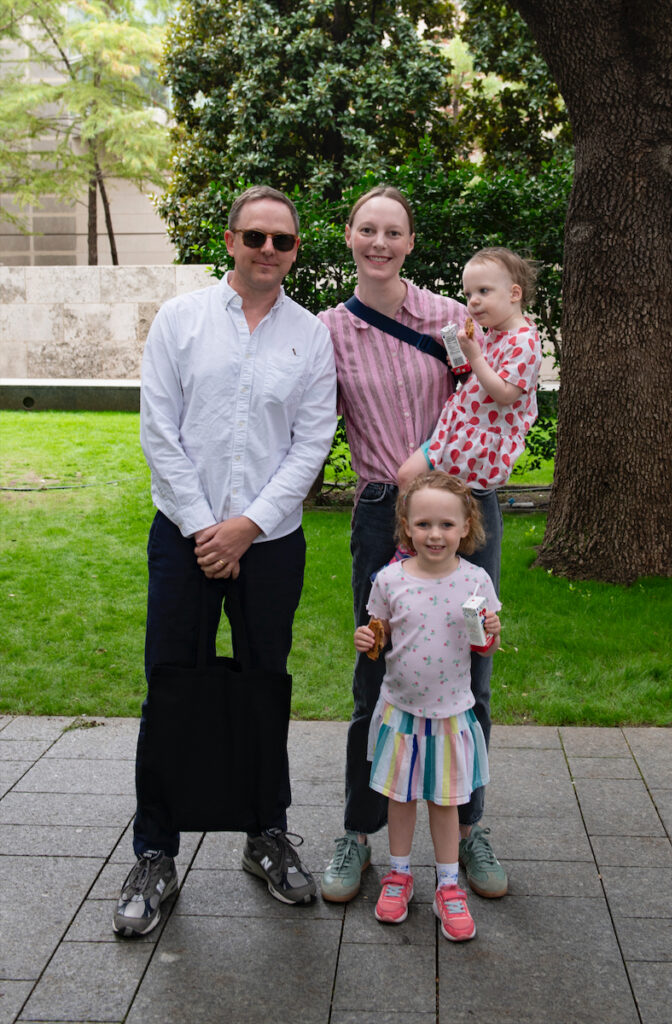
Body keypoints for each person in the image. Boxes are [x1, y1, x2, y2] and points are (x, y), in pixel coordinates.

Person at [113, 185, 337, 937]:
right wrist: (210, 528)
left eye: (283, 240)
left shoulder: (311, 335)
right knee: (169, 689)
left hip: (270, 544)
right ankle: (154, 851)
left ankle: (265, 836)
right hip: (183, 536)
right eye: (254, 237)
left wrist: (247, 526)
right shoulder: (180, 320)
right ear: (230, 239)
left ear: (296, 249)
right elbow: (158, 430)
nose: (267, 251)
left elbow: (311, 443)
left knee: (264, 688)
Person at [318, 186, 508, 905]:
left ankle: (468, 824)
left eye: (392, 230)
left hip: (462, 512)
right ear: (348, 235)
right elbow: (309, 420)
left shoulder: (452, 317)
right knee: (375, 667)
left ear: (409, 241)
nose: (379, 241)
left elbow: (493, 394)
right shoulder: (331, 329)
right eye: (367, 228)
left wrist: (430, 453)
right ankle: (359, 833)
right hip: (379, 513)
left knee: (471, 666)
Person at [354, 471, 501, 940]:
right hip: (401, 712)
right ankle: (398, 875)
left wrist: (491, 633)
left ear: (465, 527)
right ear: (405, 526)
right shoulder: (390, 580)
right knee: (400, 798)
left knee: (445, 801)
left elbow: (483, 649)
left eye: (445, 525)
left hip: (450, 714)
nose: (434, 535)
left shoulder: (475, 582)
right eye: (423, 525)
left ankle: (448, 884)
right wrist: (366, 638)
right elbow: (379, 634)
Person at [397, 247, 541, 492]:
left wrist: (475, 356)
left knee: (436, 493)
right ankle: (415, 529)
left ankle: (416, 529)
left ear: (514, 293)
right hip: (461, 429)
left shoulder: (524, 341)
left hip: (476, 445)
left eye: (483, 291)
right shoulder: (497, 332)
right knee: (410, 479)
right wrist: (467, 367)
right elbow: (486, 379)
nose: (473, 301)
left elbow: (505, 394)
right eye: (468, 293)